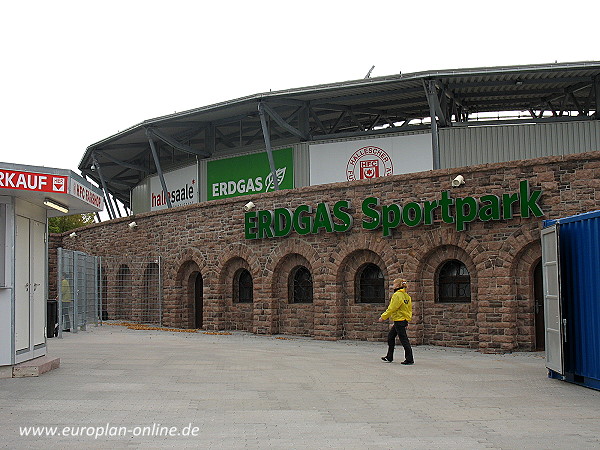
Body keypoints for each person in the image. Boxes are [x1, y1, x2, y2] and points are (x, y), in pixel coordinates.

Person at [378, 278, 414, 364]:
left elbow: (392, 308)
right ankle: (389, 356)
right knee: (391, 337)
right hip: (402, 320)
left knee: (403, 339)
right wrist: (407, 320)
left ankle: (409, 359)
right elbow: (408, 309)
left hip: (399, 320)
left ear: (397, 285)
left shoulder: (397, 295)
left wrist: (383, 317)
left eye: (394, 284)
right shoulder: (406, 296)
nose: (392, 285)